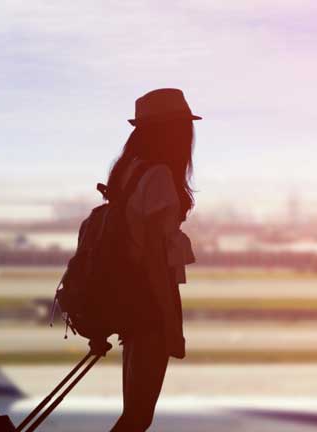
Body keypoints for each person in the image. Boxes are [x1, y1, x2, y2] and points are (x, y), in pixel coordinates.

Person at [106, 88, 199, 431]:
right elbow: (156, 262)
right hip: (150, 302)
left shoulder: (129, 170)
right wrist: (172, 326)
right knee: (138, 417)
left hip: (130, 298)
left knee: (133, 412)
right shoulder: (159, 177)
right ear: (172, 131)